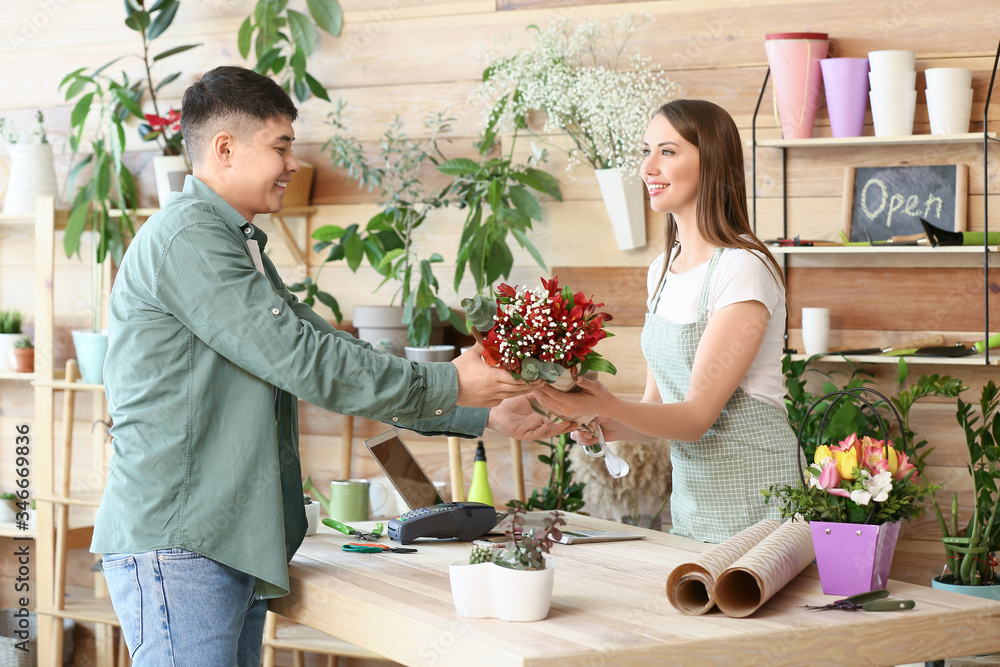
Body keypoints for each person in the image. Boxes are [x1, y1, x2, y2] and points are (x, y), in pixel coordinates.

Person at [90, 65, 563, 666]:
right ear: (226, 149)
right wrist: (450, 382)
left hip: (215, 540)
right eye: (281, 146)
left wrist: (484, 412)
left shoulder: (234, 243)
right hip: (182, 541)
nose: (293, 163)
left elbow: (330, 346)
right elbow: (306, 362)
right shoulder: (189, 238)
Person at [533, 99, 802, 544]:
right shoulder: (662, 269)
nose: (647, 168)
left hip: (762, 499)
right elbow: (660, 412)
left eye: (668, 152)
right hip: (695, 505)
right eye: (645, 151)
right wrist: (600, 420)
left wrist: (606, 404)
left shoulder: (744, 268)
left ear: (711, 160)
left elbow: (696, 417)